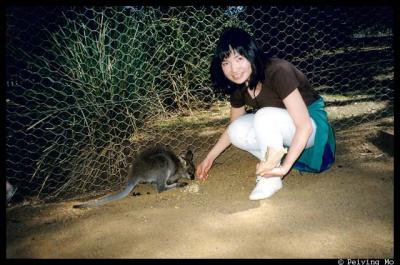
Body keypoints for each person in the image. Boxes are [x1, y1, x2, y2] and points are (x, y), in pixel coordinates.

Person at [196, 27, 335, 200]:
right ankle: (271, 161)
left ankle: (271, 178)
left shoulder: (278, 71)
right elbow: (233, 127)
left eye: (239, 58)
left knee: (264, 116)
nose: (234, 69)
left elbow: (304, 126)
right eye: (226, 63)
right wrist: (210, 157)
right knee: (236, 131)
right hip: (285, 128)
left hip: (310, 127)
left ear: (251, 54)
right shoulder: (239, 83)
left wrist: (285, 169)